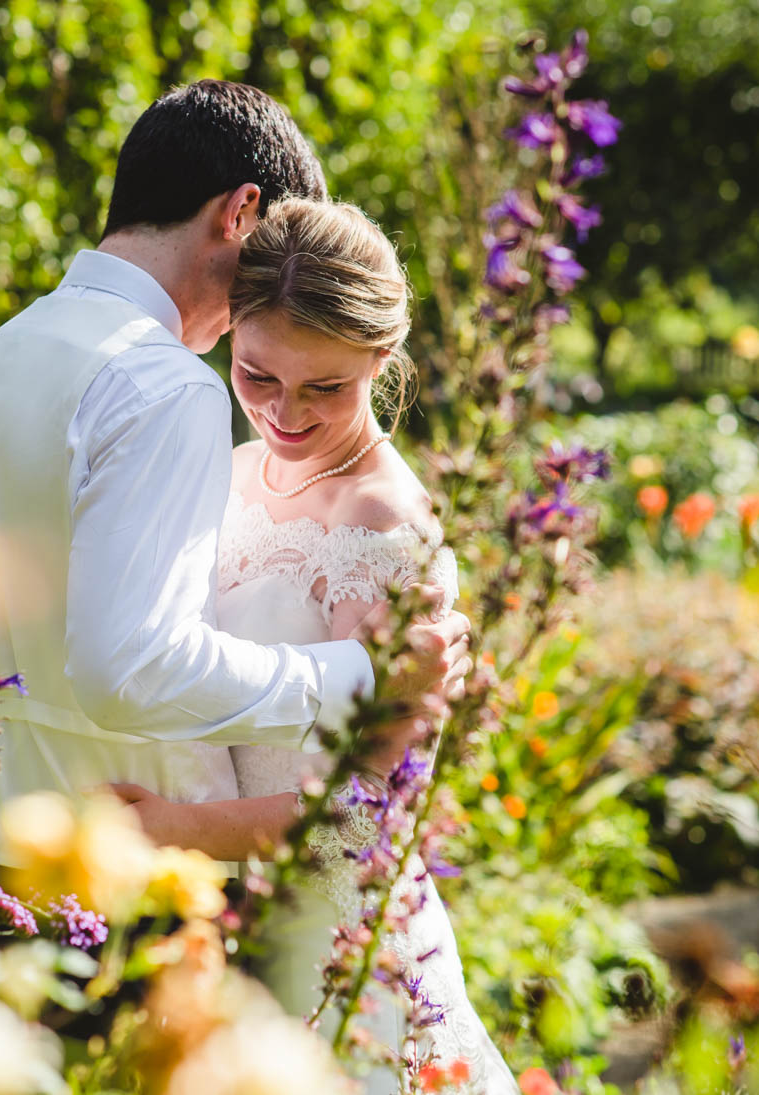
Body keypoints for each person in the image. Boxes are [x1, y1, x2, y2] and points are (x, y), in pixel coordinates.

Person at [0, 80, 471, 873]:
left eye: (322, 385)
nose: (267, 286)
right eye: (270, 247)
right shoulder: (162, 383)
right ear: (239, 213)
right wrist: (362, 676)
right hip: (95, 882)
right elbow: (128, 665)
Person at [108, 198, 518, 1093]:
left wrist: (177, 830)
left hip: (332, 931)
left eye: (325, 387)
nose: (284, 415)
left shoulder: (381, 524)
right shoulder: (230, 467)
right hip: (227, 907)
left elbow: (363, 808)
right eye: (257, 376)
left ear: (381, 357)